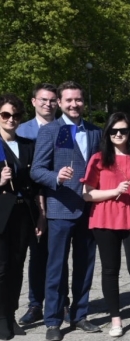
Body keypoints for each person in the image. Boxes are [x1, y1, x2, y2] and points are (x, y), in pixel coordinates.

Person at [31, 81, 102, 341]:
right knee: (56, 268)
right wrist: (56, 177)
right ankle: (53, 320)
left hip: (89, 209)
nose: (74, 104)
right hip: (60, 209)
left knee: (85, 265)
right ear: (59, 103)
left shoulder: (95, 132)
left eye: (78, 99)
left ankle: (80, 314)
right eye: (69, 100)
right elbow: (37, 170)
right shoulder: (51, 131)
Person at [82, 113, 130, 339]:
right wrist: (113, 191)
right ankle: (116, 320)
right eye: (114, 131)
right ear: (107, 133)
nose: (118, 134)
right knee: (110, 270)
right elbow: (87, 194)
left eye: (123, 130)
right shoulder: (98, 159)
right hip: (104, 219)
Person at [0, 94, 42, 339]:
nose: (11, 119)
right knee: (2, 268)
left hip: (23, 213)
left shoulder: (28, 145)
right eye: (6, 114)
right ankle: (1, 317)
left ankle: (11, 314)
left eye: (16, 115)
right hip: (1, 213)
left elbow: (36, 185)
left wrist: (41, 215)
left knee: (17, 266)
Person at [16, 83, 58, 326]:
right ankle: (35, 304)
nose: (48, 104)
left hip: (60, 199)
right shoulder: (21, 130)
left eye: (52, 100)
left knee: (58, 256)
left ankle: (60, 301)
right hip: (32, 202)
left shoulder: (65, 129)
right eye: (43, 99)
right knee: (36, 254)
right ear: (33, 102)